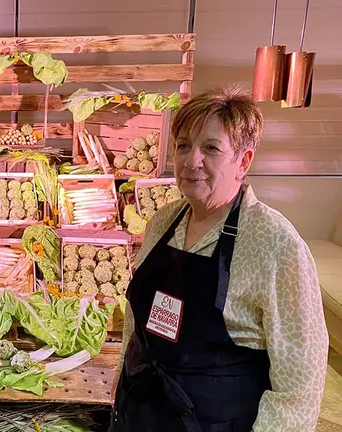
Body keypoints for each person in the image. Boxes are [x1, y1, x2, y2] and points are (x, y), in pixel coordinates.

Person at [111, 87, 328, 432]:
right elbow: (137, 325)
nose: (191, 161)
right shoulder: (162, 222)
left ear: (243, 161)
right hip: (141, 412)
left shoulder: (274, 243)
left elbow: (299, 386)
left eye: (210, 148)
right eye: (184, 145)